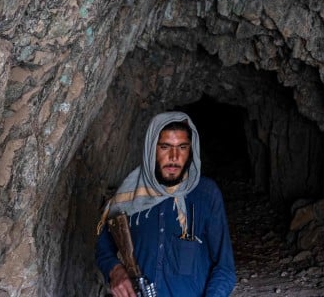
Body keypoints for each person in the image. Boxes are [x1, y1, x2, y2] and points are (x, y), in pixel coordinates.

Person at [95, 111, 236, 297]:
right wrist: (115, 271)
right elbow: (103, 245)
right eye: (165, 147)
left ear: (191, 151)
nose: (174, 156)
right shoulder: (129, 195)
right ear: (151, 149)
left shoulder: (206, 194)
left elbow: (225, 269)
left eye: (182, 147)